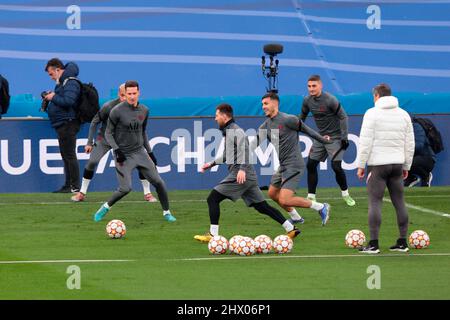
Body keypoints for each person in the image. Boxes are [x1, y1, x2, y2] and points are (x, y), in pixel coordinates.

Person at [194, 103, 300, 242]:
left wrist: (242, 169)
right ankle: (290, 229)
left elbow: (246, 149)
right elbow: (227, 155)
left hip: (240, 174)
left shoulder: (235, 131)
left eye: (217, 115)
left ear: (225, 116)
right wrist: (211, 164)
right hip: (247, 176)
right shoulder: (229, 131)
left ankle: (213, 235)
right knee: (262, 206)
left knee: (212, 198)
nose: (215, 119)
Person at [92, 80, 176, 222]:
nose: (131, 96)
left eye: (134, 93)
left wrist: (150, 152)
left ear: (139, 93)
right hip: (123, 155)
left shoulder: (144, 110)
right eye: (129, 93)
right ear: (124, 94)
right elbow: (108, 134)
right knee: (125, 189)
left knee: (159, 182)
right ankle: (105, 207)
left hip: (140, 152)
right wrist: (117, 150)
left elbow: (143, 132)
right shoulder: (116, 111)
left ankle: (166, 212)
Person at [71, 84, 158, 202]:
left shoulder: (139, 109)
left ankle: (147, 193)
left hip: (127, 141)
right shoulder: (109, 106)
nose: (124, 98)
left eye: (128, 95)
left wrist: (149, 151)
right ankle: (82, 193)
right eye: (122, 95)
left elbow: (142, 131)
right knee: (92, 161)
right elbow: (95, 121)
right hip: (105, 139)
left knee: (141, 162)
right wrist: (89, 142)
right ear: (119, 94)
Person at [255, 92, 331, 226]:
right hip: (283, 165)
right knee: (272, 193)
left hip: (294, 164)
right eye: (262, 104)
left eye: (266, 104)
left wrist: (323, 140)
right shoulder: (265, 126)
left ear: (275, 104)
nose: (263, 107)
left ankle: (321, 207)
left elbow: (309, 131)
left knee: (285, 199)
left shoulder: (288, 119)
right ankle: (296, 217)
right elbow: (252, 145)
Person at [357, 83, 414, 253]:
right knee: (399, 202)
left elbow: (365, 141)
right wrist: (406, 165)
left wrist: (361, 164)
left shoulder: (371, 113)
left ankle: (373, 244)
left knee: (375, 202)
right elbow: (409, 143)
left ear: (376, 96)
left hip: (378, 165)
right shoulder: (404, 114)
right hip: (397, 164)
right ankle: (402, 242)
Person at [300, 75, 356, 206]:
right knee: (310, 165)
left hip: (336, 138)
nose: (311, 89)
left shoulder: (330, 99)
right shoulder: (307, 100)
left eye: (314, 86)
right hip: (321, 137)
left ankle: (346, 195)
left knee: (336, 167)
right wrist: (293, 128)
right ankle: (311, 197)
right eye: (309, 86)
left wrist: (344, 137)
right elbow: (301, 118)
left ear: (321, 86)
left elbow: (343, 117)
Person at [43, 58, 81, 193]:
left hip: (68, 123)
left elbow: (69, 101)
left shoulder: (70, 82)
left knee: (69, 155)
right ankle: (68, 185)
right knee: (66, 155)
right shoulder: (63, 83)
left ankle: (75, 186)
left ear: (57, 70)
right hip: (62, 124)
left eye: (51, 74)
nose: (51, 77)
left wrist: (53, 97)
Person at [403, 116, 436, 187]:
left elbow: (419, 146)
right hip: (412, 157)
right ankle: (411, 178)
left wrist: (404, 149)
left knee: (407, 161)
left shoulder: (417, 127)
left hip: (427, 158)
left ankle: (426, 176)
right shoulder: (400, 130)